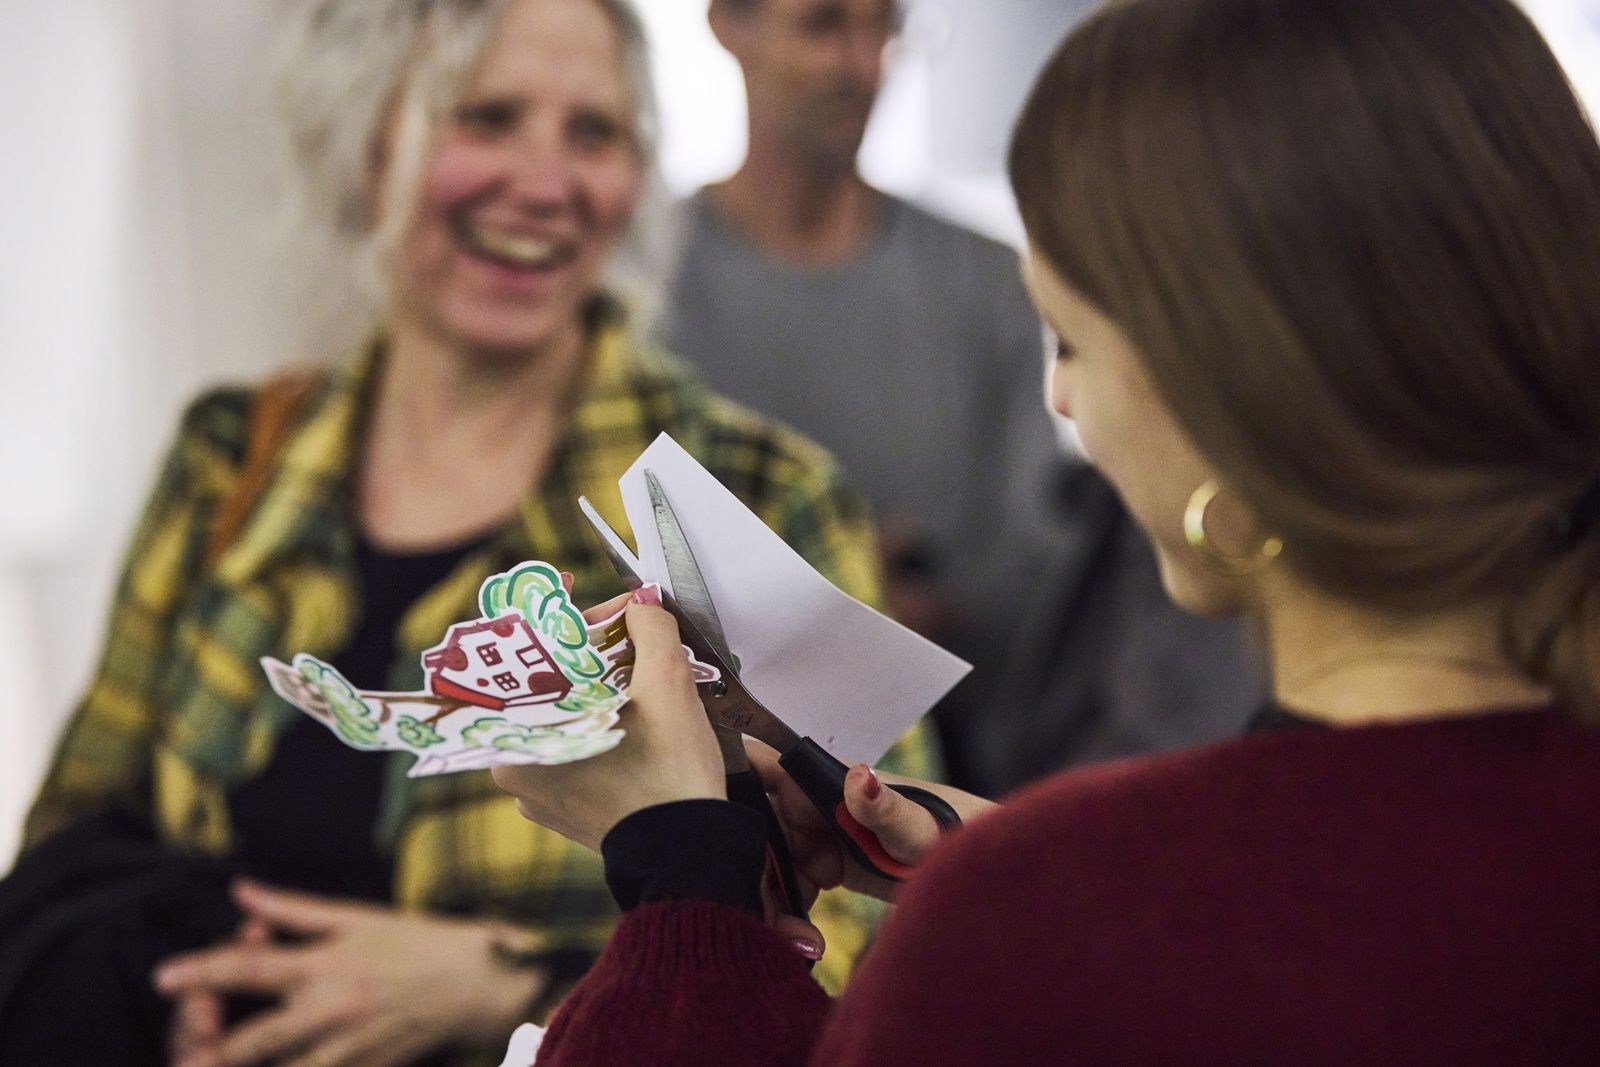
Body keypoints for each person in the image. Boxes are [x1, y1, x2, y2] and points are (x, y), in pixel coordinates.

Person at [493, 0, 1600, 1062]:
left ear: (1230, 396)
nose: (1063, 399)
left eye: (1070, 339)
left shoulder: (1039, 932)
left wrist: (683, 871)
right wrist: (1037, 865)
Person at [11, 0, 927, 1064]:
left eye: (593, 132)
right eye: (486, 117)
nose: (546, 182)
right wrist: (174, 989)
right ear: (362, 145)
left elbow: (878, 941)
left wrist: (513, 986)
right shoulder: (228, 461)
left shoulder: (759, 497)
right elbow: (72, 835)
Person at [663, 0, 1264, 794]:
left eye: (882, 28)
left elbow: (1028, 553)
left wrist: (860, 608)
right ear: (727, 25)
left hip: (964, 756)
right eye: (823, 25)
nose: (860, 64)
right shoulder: (646, 279)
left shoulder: (982, 278)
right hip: (707, 759)